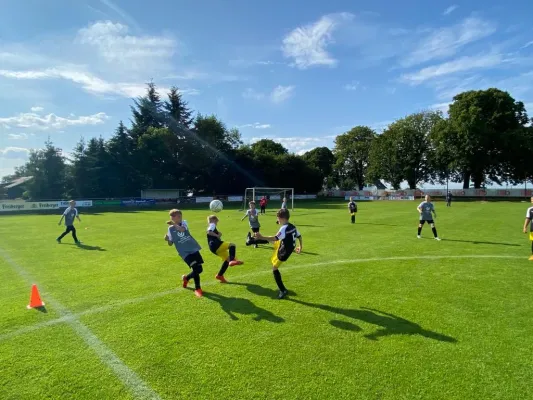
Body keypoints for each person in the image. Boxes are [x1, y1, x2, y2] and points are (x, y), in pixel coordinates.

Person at [255, 208, 302, 299]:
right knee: (271, 240)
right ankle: (252, 241)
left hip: (284, 251)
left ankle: (283, 290)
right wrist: (300, 246)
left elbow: (275, 238)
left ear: (282, 218)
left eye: (278, 218)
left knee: (274, 268)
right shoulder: (293, 226)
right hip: (286, 245)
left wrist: (261, 236)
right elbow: (299, 236)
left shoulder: (284, 228)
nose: (277, 220)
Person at [165, 209, 204, 297]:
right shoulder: (170, 229)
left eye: (180, 216)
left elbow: (182, 230)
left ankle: (186, 278)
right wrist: (167, 239)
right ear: (172, 217)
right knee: (195, 267)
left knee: (199, 270)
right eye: (178, 216)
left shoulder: (184, 223)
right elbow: (171, 243)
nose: (180, 218)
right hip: (184, 252)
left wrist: (173, 224)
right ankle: (198, 289)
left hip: (193, 248)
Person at [207, 215, 244, 283]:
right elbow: (209, 232)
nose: (217, 223)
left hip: (213, 248)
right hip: (216, 245)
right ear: (214, 220)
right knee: (232, 245)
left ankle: (219, 275)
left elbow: (211, 234)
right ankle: (232, 261)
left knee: (228, 259)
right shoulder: (212, 224)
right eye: (216, 221)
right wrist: (217, 235)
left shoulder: (212, 226)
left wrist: (218, 235)